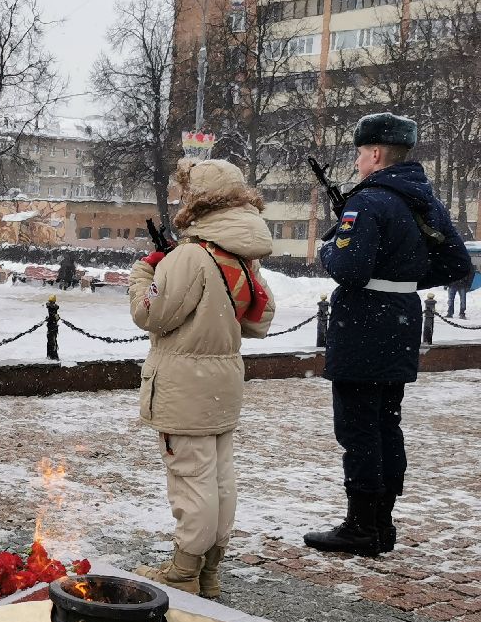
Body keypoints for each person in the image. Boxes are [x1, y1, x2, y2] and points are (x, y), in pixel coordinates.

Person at [304, 114, 470, 557]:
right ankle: (381, 523)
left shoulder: (370, 201)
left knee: (358, 426)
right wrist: (402, 279)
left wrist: (329, 248)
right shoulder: (421, 199)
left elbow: (349, 269)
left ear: (375, 154)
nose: (358, 161)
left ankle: (361, 526)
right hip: (400, 321)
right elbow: (457, 264)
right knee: (385, 423)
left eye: (360, 153)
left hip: (363, 325)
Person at [127, 159, 275, 597]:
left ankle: (183, 571)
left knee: (191, 480)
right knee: (219, 480)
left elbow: (150, 314)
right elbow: (259, 320)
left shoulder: (192, 255)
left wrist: (144, 275)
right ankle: (209, 569)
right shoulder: (242, 259)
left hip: (182, 384)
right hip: (223, 382)